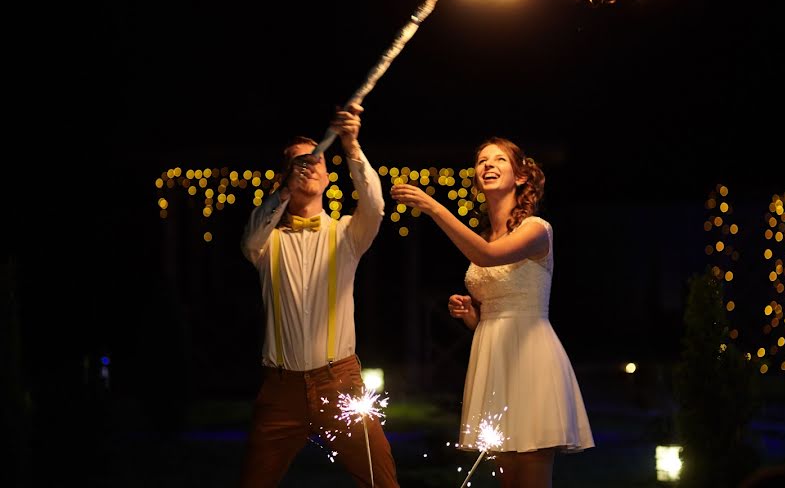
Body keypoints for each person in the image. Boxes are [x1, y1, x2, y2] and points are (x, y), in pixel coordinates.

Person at [390, 137, 593, 488]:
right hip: (492, 356)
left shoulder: (536, 229)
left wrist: (435, 208)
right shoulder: (487, 234)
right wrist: (473, 317)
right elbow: (492, 292)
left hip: (529, 357)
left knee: (530, 471)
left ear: (520, 177)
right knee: (506, 477)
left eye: (499, 159)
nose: (488, 164)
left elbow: (485, 256)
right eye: (482, 159)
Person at [238, 102, 399, 488]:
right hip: (281, 391)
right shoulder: (265, 242)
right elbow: (248, 237)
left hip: (339, 382)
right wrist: (283, 190)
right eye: (298, 163)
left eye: (315, 162)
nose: (308, 167)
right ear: (285, 176)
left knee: (382, 481)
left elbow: (375, 206)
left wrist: (351, 144)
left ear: (328, 176)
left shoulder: (346, 234)